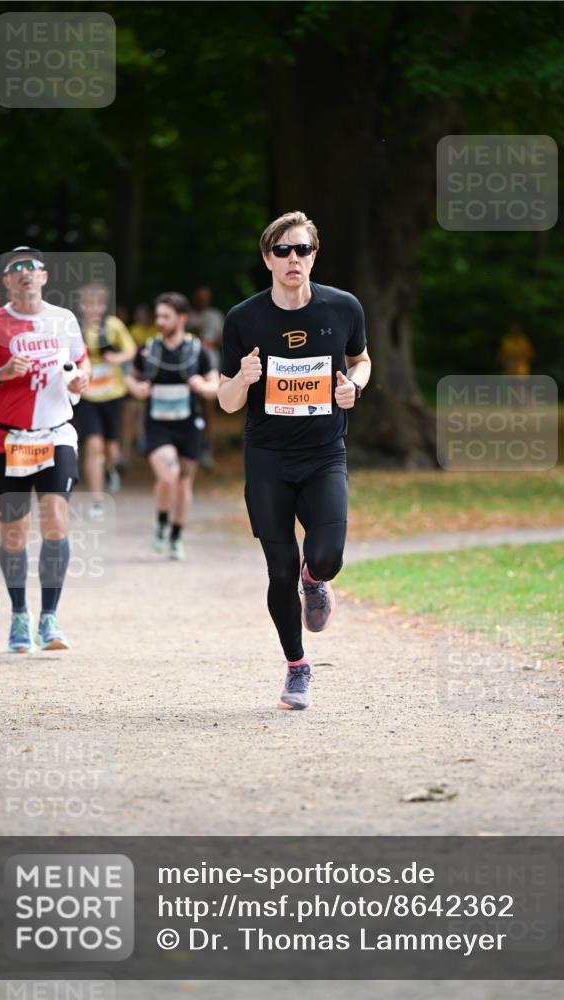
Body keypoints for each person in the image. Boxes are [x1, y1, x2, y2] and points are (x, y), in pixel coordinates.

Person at [218, 211, 371, 710]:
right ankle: (297, 668)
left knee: (325, 557)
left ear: (314, 255)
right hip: (268, 458)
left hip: (324, 453)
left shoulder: (343, 308)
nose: (292, 259)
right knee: (279, 568)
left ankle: (316, 581)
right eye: (282, 251)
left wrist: (355, 387)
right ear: (267, 258)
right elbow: (226, 400)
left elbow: (360, 360)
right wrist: (243, 377)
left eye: (301, 250)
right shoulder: (244, 319)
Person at [0, 246, 90, 652]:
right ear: (7, 281)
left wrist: (79, 382)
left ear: (44, 276)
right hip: (8, 440)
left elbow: (81, 365)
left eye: (31, 268)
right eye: (15, 269)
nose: (25, 274)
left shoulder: (64, 320)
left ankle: (50, 619)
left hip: (55, 435)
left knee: (55, 520)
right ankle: (19, 614)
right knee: (14, 534)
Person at [125, 292, 219, 560]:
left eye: (166, 316)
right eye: (158, 316)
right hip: (158, 424)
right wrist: (137, 388)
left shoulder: (197, 350)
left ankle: (176, 535)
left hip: (189, 424)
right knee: (168, 475)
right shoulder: (149, 349)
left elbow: (215, 384)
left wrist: (204, 386)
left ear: (182, 318)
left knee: (183, 482)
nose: (160, 321)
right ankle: (161, 522)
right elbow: (129, 379)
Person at [76, 283, 136, 519]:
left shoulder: (113, 326)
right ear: (81, 305)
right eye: (87, 303)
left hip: (112, 393)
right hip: (88, 395)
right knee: (93, 445)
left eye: (97, 303)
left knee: (111, 449)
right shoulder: (76, 329)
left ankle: (111, 469)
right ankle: (97, 500)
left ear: (103, 305)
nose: (92, 308)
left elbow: (131, 350)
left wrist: (116, 357)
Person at [188, 286, 225, 467]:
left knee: (208, 409)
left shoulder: (215, 316)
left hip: (211, 366)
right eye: (199, 297)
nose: (202, 300)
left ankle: (207, 450)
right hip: (190, 369)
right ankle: (191, 448)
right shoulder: (188, 317)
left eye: (205, 297)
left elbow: (222, 338)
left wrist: (207, 341)